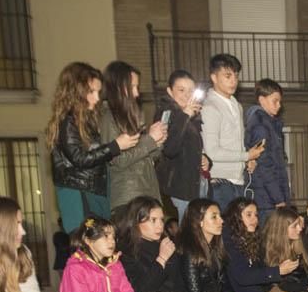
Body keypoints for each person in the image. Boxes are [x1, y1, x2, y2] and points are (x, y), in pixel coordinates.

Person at [48, 61, 137, 232]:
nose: (97, 98)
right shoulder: (68, 121)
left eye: (98, 92)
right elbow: (79, 158)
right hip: (78, 192)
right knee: (86, 245)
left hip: (94, 190)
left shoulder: (86, 119)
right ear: (76, 92)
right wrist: (115, 146)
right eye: (91, 92)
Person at [100, 61, 166, 218]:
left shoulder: (131, 116)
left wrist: (158, 143)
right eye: (133, 87)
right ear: (119, 87)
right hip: (128, 198)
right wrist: (150, 140)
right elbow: (118, 160)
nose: (137, 93)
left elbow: (146, 157)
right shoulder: (109, 117)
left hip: (146, 193)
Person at [201, 53, 265, 212]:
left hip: (237, 180)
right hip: (220, 182)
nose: (233, 81)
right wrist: (246, 156)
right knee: (224, 233)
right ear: (214, 78)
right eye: (228, 76)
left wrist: (246, 160)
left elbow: (236, 143)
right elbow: (212, 152)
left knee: (237, 233)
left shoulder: (236, 105)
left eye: (236, 76)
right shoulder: (210, 107)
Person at [222, 197, 294, 292]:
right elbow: (242, 277)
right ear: (236, 217)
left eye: (255, 215)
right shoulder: (228, 241)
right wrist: (277, 271)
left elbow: (261, 270)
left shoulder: (249, 240)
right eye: (248, 215)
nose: (254, 219)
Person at [154, 69, 210, 220]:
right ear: (169, 92)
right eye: (181, 90)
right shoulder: (167, 113)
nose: (187, 95)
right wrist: (185, 115)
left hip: (195, 184)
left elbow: (191, 148)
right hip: (180, 188)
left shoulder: (190, 115)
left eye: (191, 90)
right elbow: (170, 148)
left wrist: (205, 159)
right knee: (187, 234)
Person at [177, 198, 236, 292]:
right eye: (214, 217)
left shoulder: (216, 248)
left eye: (220, 216)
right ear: (199, 222)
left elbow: (225, 282)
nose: (221, 221)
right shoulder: (189, 252)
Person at [116, 195, 180, 292]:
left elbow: (179, 282)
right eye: (153, 220)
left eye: (161, 220)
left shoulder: (165, 244)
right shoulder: (126, 252)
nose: (160, 225)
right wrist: (161, 259)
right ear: (136, 222)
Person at [244, 78, 290, 221]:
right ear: (262, 100)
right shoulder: (261, 126)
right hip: (266, 199)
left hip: (268, 196)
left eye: (280, 101)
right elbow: (265, 166)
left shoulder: (270, 124)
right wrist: (278, 198)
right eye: (274, 101)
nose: (278, 105)